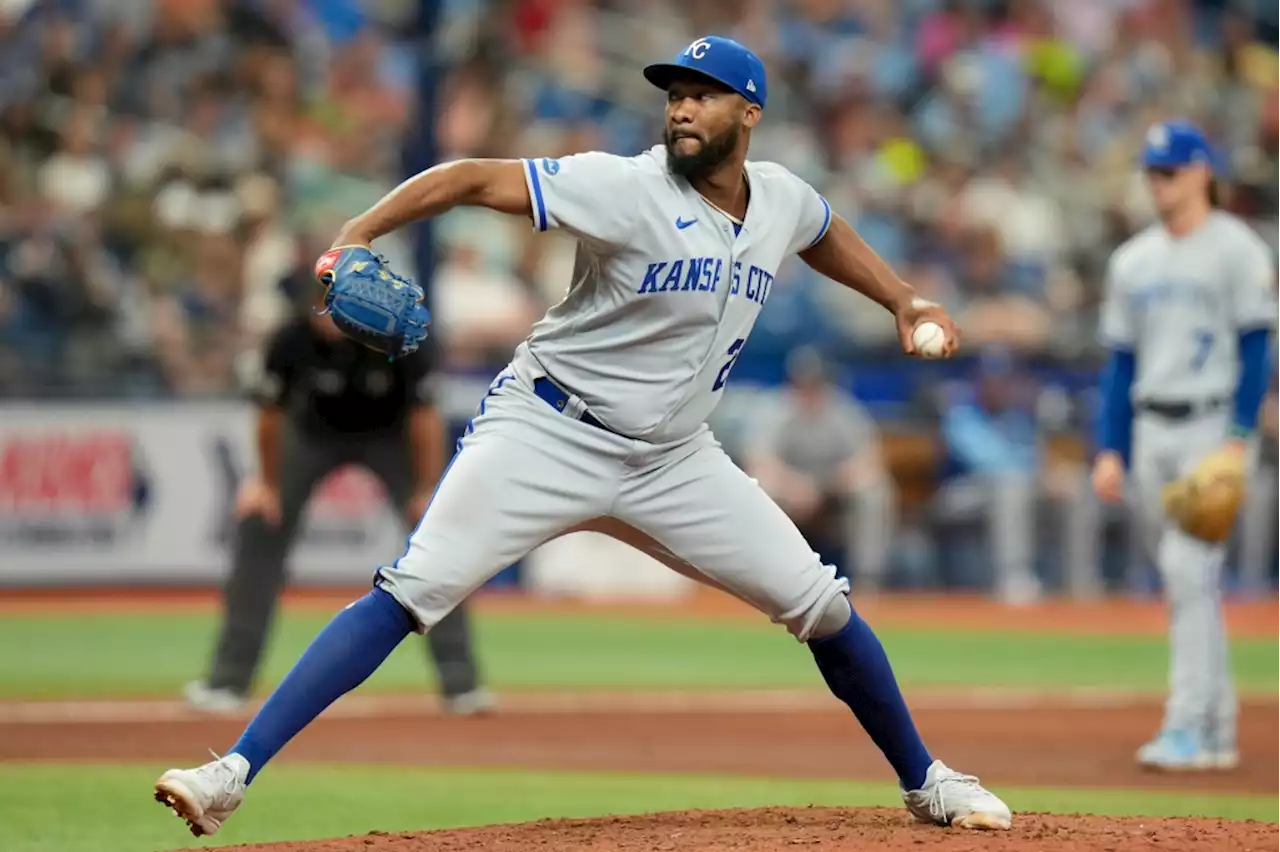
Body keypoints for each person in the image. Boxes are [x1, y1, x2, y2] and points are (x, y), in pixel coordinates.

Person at [154, 36, 1012, 837]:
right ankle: (231, 772)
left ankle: (927, 780)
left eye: (703, 97)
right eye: (674, 95)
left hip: (675, 458)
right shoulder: (621, 186)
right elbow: (467, 177)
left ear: (749, 114)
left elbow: (821, 232)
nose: (680, 109)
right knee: (413, 590)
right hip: (547, 431)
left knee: (822, 605)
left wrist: (903, 297)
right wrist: (357, 234)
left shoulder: (778, 197)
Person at [184, 293, 494, 717]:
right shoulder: (291, 340)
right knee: (260, 525)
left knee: (437, 537)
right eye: (320, 308)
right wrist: (266, 484)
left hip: (391, 436)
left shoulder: (403, 334)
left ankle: (462, 683)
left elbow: (424, 418)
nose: (328, 319)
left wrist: (427, 491)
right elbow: (270, 416)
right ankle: (227, 681)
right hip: (312, 433)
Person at [1091, 120, 1277, 771]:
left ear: (1203, 172)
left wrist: (1239, 440)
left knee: (1186, 572)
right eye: (1151, 172)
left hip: (1210, 426)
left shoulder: (1238, 249)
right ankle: (1218, 728)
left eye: (1168, 171)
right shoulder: (1132, 260)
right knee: (1187, 583)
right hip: (1149, 428)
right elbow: (1118, 365)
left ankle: (1188, 724)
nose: (1157, 183)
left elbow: (1258, 352)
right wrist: (1110, 449)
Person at [935, 348, 1098, 603]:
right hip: (961, 494)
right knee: (1012, 485)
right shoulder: (962, 415)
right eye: (992, 381)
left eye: (1004, 381)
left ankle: (1080, 580)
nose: (999, 387)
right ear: (979, 382)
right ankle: (1014, 576)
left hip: (1018, 488)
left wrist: (1054, 474)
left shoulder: (1018, 415)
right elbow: (990, 463)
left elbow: (1040, 454)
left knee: (1076, 486)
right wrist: (1042, 475)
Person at [745, 346, 896, 589]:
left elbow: (869, 459)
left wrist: (836, 480)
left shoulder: (843, 410)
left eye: (816, 383)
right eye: (804, 383)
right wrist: (793, 485)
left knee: (874, 490)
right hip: (791, 489)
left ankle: (869, 578)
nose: (810, 390)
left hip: (833, 490)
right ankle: (761, 579)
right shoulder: (775, 409)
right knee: (762, 486)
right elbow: (759, 459)